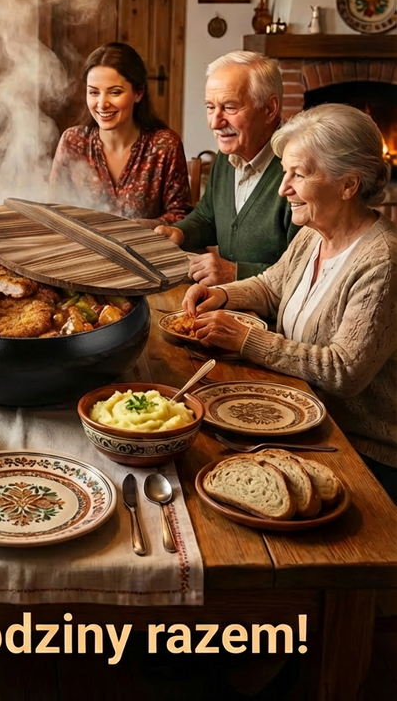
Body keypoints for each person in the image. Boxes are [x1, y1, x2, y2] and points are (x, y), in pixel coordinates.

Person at [183, 104, 397, 497]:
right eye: (285, 172)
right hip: (300, 417)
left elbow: (343, 371)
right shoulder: (315, 232)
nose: (284, 189)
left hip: (360, 451)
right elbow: (271, 286)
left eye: (299, 174)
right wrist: (222, 294)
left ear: (348, 185)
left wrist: (247, 341)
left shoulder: (382, 260)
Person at [155, 50, 298, 284]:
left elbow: (305, 271)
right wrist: (179, 232)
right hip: (229, 301)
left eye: (230, 107)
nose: (215, 123)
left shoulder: (300, 171)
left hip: (274, 317)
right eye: (210, 107)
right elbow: (207, 217)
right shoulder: (228, 154)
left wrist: (235, 272)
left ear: (270, 109)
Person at [49, 42, 191, 224]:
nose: (102, 103)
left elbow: (182, 216)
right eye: (93, 92)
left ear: (138, 94)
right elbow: (54, 210)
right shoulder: (73, 141)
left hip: (142, 249)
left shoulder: (164, 145)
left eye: (114, 92)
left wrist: (149, 225)